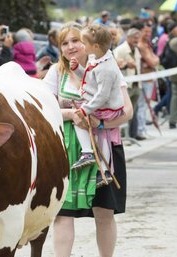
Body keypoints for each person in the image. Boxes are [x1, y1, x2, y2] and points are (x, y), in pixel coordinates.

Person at [43, 22, 132, 257]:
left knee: (103, 212)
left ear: (89, 44)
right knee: (63, 211)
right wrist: (73, 115)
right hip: (66, 149)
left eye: (76, 41)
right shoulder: (56, 73)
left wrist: (99, 124)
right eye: (65, 43)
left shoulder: (106, 69)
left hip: (103, 147)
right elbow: (44, 107)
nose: (71, 47)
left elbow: (127, 111)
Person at [69, 24, 125, 187]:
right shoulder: (96, 58)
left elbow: (102, 95)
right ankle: (94, 160)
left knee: (102, 136)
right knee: (87, 127)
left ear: (95, 46)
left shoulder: (107, 69)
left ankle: (100, 166)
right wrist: (77, 69)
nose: (81, 46)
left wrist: (84, 109)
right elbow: (89, 79)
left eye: (83, 43)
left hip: (105, 107)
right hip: (99, 103)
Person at [114, 28, 141, 139]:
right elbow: (115, 66)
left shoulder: (136, 49)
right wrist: (125, 65)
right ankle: (122, 135)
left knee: (134, 111)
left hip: (136, 84)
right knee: (124, 112)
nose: (136, 40)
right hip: (126, 86)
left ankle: (132, 134)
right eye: (134, 38)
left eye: (138, 38)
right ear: (128, 38)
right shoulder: (120, 50)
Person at [135, 22, 159, 140]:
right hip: (144, 79)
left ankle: (143, 129)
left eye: (150, 32)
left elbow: (156, 59)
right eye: (146, 32)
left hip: (149, 78)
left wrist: (153, 61)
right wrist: (152, 61)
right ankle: (140, 130)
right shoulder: (141, 45)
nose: (148, 34)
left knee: (145, 105)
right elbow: (153, 62)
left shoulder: (147, 44)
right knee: (142, 106)